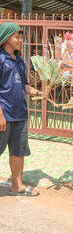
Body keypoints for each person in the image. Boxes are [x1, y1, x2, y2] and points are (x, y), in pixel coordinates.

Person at [0, 22, 43, 196]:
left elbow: (25, 85)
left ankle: (17, 185)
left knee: (18, 151)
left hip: (20, 114)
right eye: (17, 37)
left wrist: (39, 92)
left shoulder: (20, 61)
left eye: (21, 37)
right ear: (5, 38)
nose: (20, 40)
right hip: (4, 114)